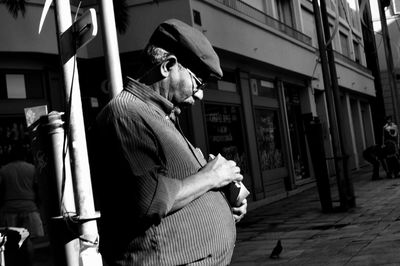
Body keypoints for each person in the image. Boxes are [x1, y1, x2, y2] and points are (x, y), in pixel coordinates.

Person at [89, 19, 248, 265]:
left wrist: (225, 200)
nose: (201, 93)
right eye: (198, 81)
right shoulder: (126, 114)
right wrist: (212, 177)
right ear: (168, 66)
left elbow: (177, 188)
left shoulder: (158, 116)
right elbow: (149, 199)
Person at [0, 143, 44, 266]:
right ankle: (29, 262)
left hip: (10, 210)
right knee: (29, 241)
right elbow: (37, 189)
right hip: (29, 208)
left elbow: (1, 191)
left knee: (11, 244)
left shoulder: (4, 170)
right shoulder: (31, 168)